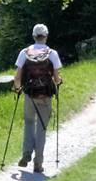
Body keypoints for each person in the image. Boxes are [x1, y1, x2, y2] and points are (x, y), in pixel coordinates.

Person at [13, 24, 63, 170]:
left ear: (34, 36)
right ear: (46, 36)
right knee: (41, 127)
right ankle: (38, 163)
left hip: (30, 95)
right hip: (45, 95)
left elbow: (17, 78)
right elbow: (56, 78)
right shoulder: (52, 53)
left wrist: (17, 89)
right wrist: (59, 82)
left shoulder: (25, 52)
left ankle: (26, 153)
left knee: (29, 123)